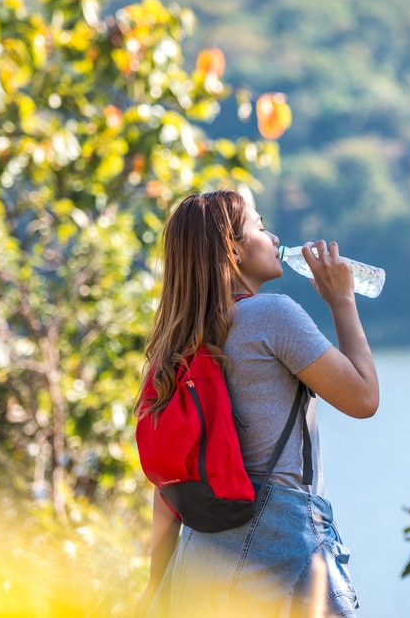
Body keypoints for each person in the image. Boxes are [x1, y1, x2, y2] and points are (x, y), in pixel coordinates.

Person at [135, 189, 380, 617]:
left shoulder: (174, 347)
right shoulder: (272, 315)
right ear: (233, 249)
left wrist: (156, 588)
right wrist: (342, 301)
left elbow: (170, 483)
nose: (273, 237)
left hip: (198, 558)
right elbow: (363, 398)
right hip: (282, 545)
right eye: (261, 226)